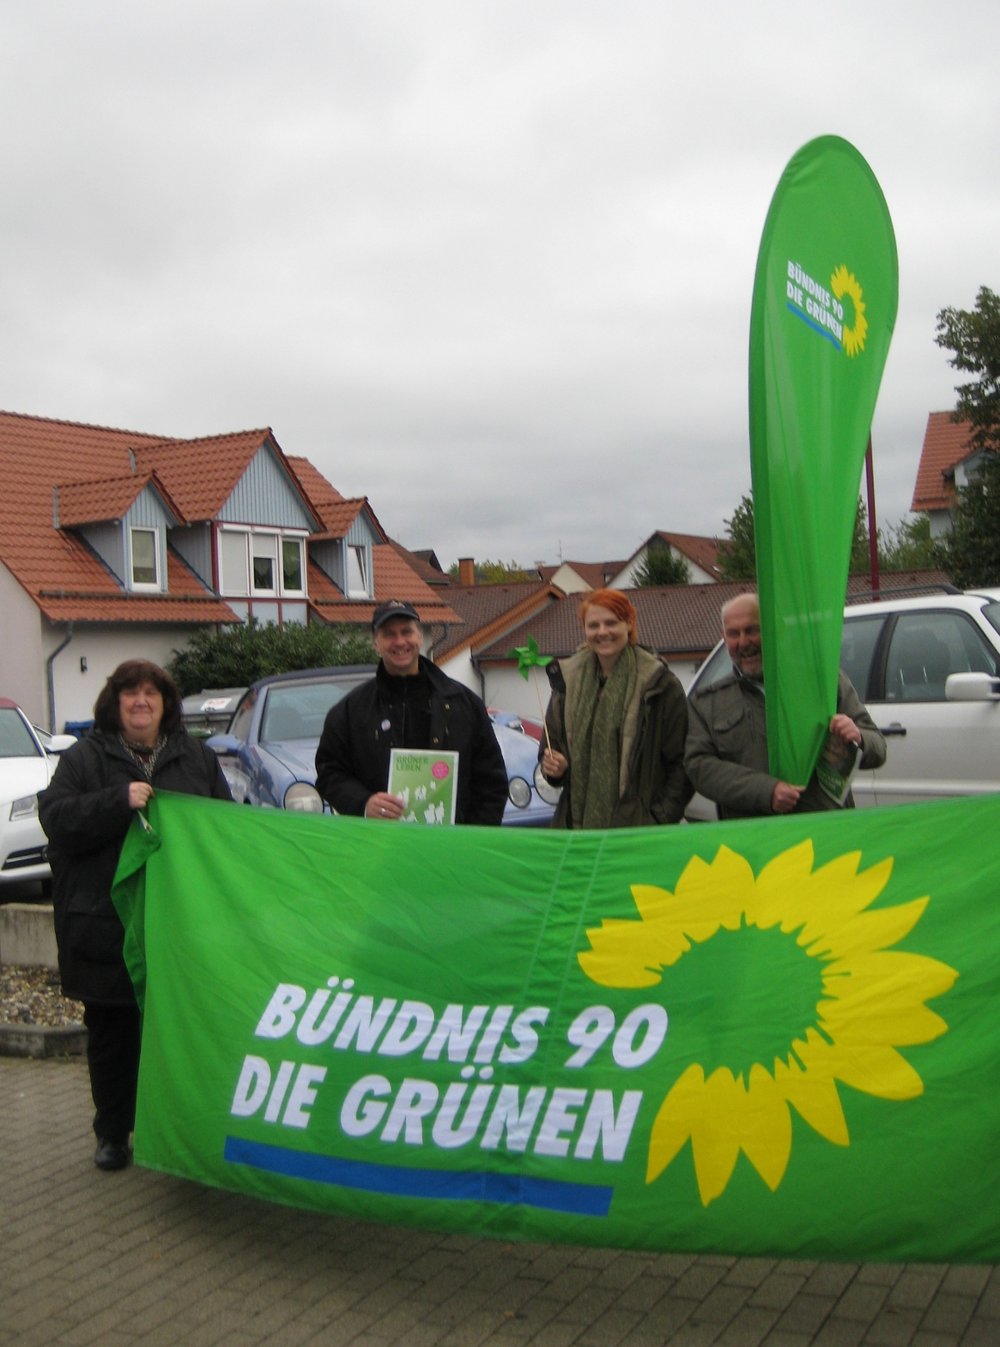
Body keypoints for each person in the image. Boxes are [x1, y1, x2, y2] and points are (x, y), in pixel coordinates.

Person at [39, 659, 232, 1171]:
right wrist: (116, 801)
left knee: (177, 1030)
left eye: (151, 692)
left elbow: (228, 827)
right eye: (130, 693)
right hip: (106, 922)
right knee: (112, 1033)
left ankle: (178, 1125)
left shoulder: (196, 758)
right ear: (114, 702)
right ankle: (112, 1132)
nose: (141, 701)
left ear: (166, 703)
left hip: (180, 923)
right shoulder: (85, 758)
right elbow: (55, 819)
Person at [684, 592, 887, 819]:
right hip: (755, 840)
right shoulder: (707, 704)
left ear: (774, 629)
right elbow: (699, 767)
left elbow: (878, 747)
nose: (743, 642)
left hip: (823, 832)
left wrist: (857, 737)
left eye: (752, 630)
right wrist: (766, 791)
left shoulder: (825, 685)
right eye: (733, 634)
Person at [315, 599, 508, 825]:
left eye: (407, 632)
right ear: (376, 643)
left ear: (420, 637)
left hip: (451, 848)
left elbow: (492, 782)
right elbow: (330, 774)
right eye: (389, 634)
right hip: (382, 846)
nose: (400, 642)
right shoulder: (350, 711)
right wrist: (364, 804)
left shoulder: (464, 704)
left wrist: (473, 838)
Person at [538, 588, 692, 828]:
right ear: (584, 630)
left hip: (638, 835)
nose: (602, 632)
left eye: (611, 623)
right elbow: (551, 747)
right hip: (576, 831)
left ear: (629, 623)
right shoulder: (567, 681)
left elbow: (683, 763)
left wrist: (658, 819)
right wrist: (555, 768)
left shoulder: (660, 685)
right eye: (593, 625)